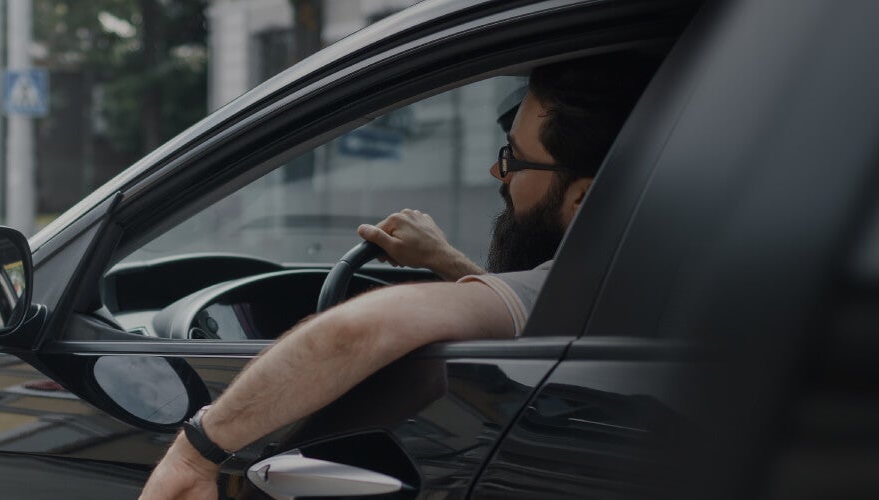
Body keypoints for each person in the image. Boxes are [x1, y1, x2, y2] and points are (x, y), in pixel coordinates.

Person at [138, 53, 659, 500]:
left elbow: (359, 331)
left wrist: (193, 454)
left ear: (585, 198)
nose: (497, 173)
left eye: (516, 160)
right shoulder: (651, 280)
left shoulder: (600, 285)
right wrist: (448, 263)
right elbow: (535, 317)